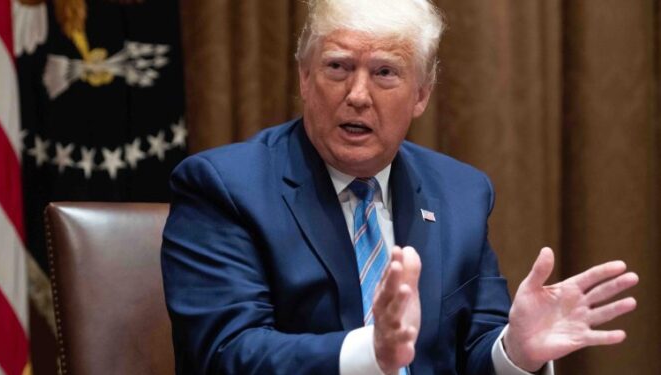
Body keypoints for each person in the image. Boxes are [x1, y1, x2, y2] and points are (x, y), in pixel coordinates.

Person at [160, 1, 639, 374]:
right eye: (337, 67)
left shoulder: (462, 193)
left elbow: (473, 349)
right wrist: (373, 353)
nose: (358, 95)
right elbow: (225, 353)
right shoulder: (223, 187)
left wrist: (515, 350)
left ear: (422, 95)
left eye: (385, 72)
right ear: (305, 78)